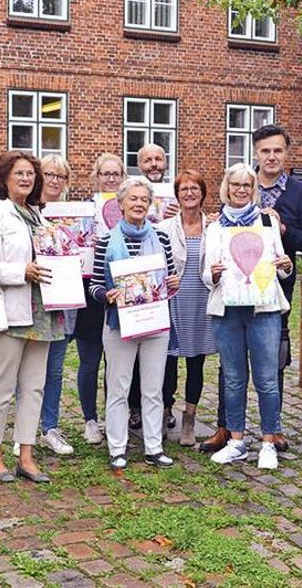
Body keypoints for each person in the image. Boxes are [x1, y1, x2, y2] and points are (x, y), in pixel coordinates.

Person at [0, 150, 62, 484]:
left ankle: (26, 454)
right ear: (3, 178)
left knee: (34, 387)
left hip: (42, 311)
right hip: (10, 309)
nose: (26, 179)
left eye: (30, 174)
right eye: (19, 174)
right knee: (2, 386)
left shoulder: (38, 216)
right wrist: (20, 271)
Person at [203, 164, 293, 469]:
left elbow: (281, 268)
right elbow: (205, 273)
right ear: (226, 187)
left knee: (267, 378)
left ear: (253, 189)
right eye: (235, 184)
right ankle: (237, 441)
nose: (240, 190)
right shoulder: (214, 227)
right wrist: (212, 275)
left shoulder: (267, 222)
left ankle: (268, 441)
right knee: (233, 378)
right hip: (227, 311)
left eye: (246, 185)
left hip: (263, 309)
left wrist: (286, 265)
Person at [89, 177, 179, 470]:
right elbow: (95, 285)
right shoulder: (105, 242)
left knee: (153, 388)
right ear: (120, 204)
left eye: (143, 199)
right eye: (133, 199)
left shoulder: (162, 238)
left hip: (154, 322)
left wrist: (172, 283)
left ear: (149, 204)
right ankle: (117, 447)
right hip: (119, 324)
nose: (139, 204)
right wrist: (107, 294)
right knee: (119, 387)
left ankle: (154, 447)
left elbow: (169, 279)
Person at [253, 124, 302, 452]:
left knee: (274, 353)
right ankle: (226, 426)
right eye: (266, 150)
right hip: (239, 284)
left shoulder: (299, 192)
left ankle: (272, 427)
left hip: (278, 285)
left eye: (278, 150)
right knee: (231, 358)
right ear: (256, 153)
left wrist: (284, 227)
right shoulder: (241, 185)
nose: (272, 156)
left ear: (286, 154)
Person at [158, 170, 216, 446]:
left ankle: (189, 420)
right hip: (173, 301)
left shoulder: (214, 227)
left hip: (202, 301)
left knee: (196, 362)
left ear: (203, 194)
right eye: (184, 189)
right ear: (177, 195)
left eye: (195, 188)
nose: (190, 193)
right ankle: (165, 412)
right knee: (168, 362)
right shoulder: (165, 228)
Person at [71, 153, 126, 446]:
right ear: (97, 177)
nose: (111, 178)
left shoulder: (132, 208)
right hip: (91, 293)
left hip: (124, 293)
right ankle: (90, 419)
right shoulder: (86, 211)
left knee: (117, 362)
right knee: (90, 360)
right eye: (105, 174)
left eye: (116, 173)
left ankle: (112, 415)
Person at [127, 143, 178, 431]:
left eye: (159, 159)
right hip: (134, 283)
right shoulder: (130, 193)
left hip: (166, 283)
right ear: (139, 165)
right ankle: (135, 407)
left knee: (167, 352)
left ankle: (166, 405)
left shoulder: (176, 193)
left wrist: (176, 215)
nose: (154, 164)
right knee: (133, 350)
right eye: (148, 160)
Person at [32, 154, 75, 456]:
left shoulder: (73, 215)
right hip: (32, 299)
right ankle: (26, 427)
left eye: (61, 176)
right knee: (29, 369)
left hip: (62, 298)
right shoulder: (28, 211)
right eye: (50, 174)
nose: (55, 181)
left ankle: (50, 426)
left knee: (55, 368)